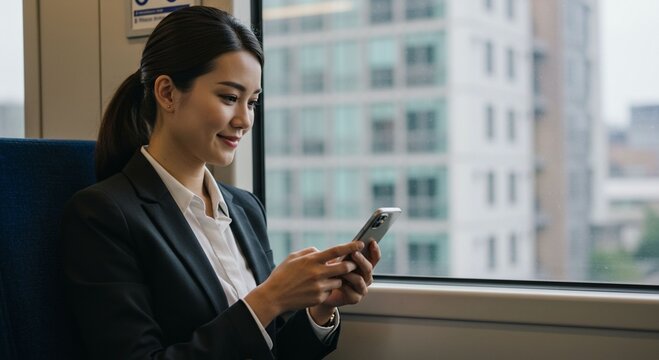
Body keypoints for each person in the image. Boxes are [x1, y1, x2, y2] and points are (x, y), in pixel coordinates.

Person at [61, 6, 380, 360]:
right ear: (167, 93)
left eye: (253, 101)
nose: (244, 120)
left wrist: (319, 310)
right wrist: (270, 297)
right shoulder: (103, 215)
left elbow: (268, 350)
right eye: (229, 97)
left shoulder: (245, 208)